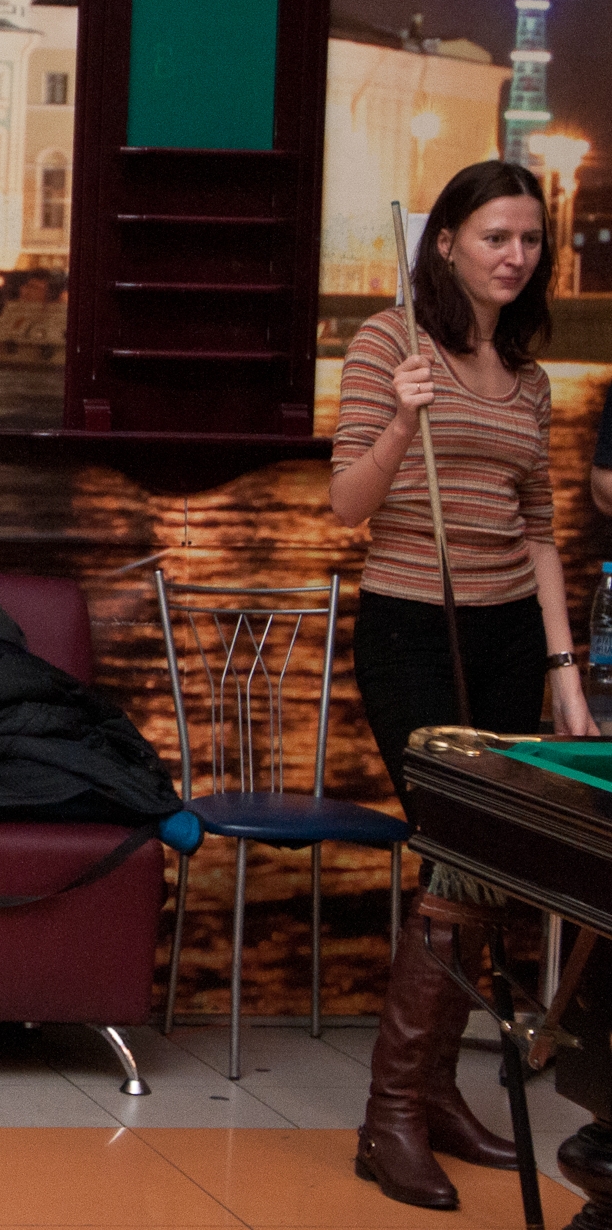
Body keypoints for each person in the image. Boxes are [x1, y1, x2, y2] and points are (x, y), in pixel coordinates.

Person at [330, 157, 593, 1211]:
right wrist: (403, 419)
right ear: (444, 242)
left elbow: (541, 531)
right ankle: (389, 1115)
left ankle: (434, 1096)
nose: (515, 255)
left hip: (509, 638)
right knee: (454, 851)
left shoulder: (529, 378)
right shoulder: (388, 343)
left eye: (529, 239)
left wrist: (564, 670)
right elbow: (347, 505)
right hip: (411, 628)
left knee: (488, 860)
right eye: (495, 236)